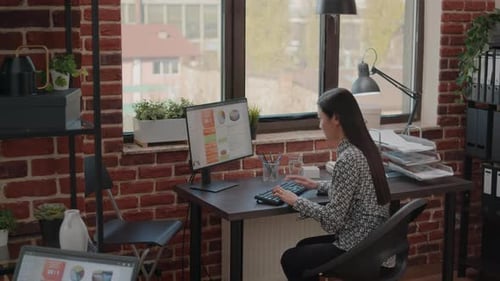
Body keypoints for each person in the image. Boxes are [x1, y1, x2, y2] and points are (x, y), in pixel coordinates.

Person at [272, 87, 391, 281]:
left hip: (358, 250)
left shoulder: (348, 158)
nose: (320, 125)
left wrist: (296, 201)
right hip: (376, 247)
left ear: (335, 118)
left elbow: (333, 221)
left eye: (321, 118)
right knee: (303, 247)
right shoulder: (367, 147)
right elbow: (358, 188)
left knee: (291, 259)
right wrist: (317, 185)